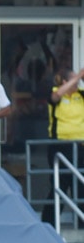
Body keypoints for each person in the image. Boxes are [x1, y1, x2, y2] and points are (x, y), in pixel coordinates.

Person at [41, 67, 84, 225]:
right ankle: (49, 223)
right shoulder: (55, 92)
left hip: (80, 146)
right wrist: (78, 75)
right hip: (60, 146)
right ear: (65, 81)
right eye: (73, 79)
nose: (77, 82)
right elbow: (56, 96)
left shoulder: (81, 95)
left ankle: (81, 224)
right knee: (60, 184)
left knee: (80, 187)